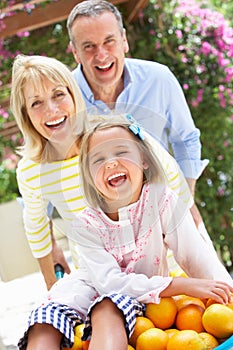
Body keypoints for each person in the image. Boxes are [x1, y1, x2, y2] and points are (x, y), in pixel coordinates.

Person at [18, 116, 233, 350]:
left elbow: (196, 256)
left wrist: (225, 294)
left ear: (144, 160)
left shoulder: (162, 201)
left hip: (128, 303)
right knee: (45, 322)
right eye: (98, 159)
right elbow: (109, 282)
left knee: (108, 307)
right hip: (83, 294)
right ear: (89, 176)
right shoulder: (86, 224)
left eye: (121, 152)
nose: (110, 163)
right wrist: (181, 286)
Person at [11, 54, 196, 291]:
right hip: (103, 286)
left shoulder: (114, 133)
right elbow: (36, 228)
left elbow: (174, 184)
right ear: (25, 113)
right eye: (36, 103)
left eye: (58, 94)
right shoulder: (31, 170)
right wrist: (52, 287)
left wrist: (192, 262)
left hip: (167, 272)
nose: (51, 110)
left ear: (73, 95)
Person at [67, 0, 209, 201]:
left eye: (109, 41)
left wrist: (185, 199)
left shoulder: (159, 79)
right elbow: (46, 161)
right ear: (75, 52)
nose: (101, 55)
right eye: (89, 46)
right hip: (104, 221)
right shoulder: (63, 98)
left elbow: (186, 139)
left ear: (124, 40)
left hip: (164, 202)